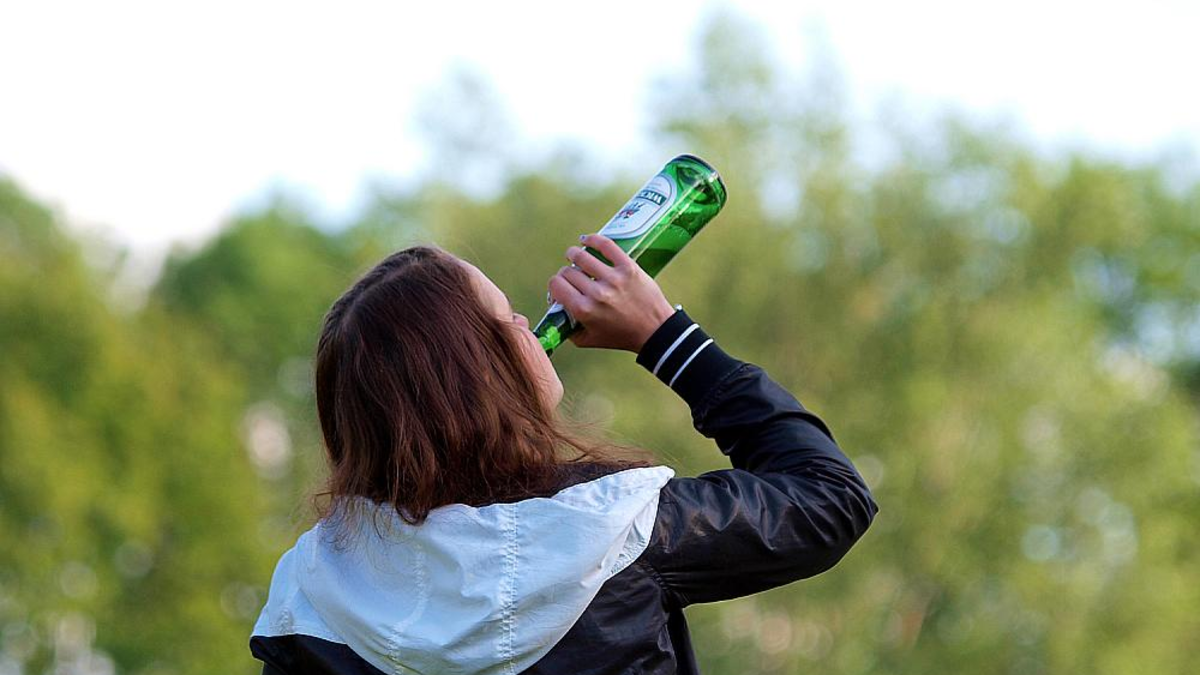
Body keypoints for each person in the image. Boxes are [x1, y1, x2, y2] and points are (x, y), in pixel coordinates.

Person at [249, 233, 878, 675]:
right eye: (506, 319)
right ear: (477, 376)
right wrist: (666, 335)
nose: (530, 326)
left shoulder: (311, 597)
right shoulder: (610, 528)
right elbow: (831, 495)